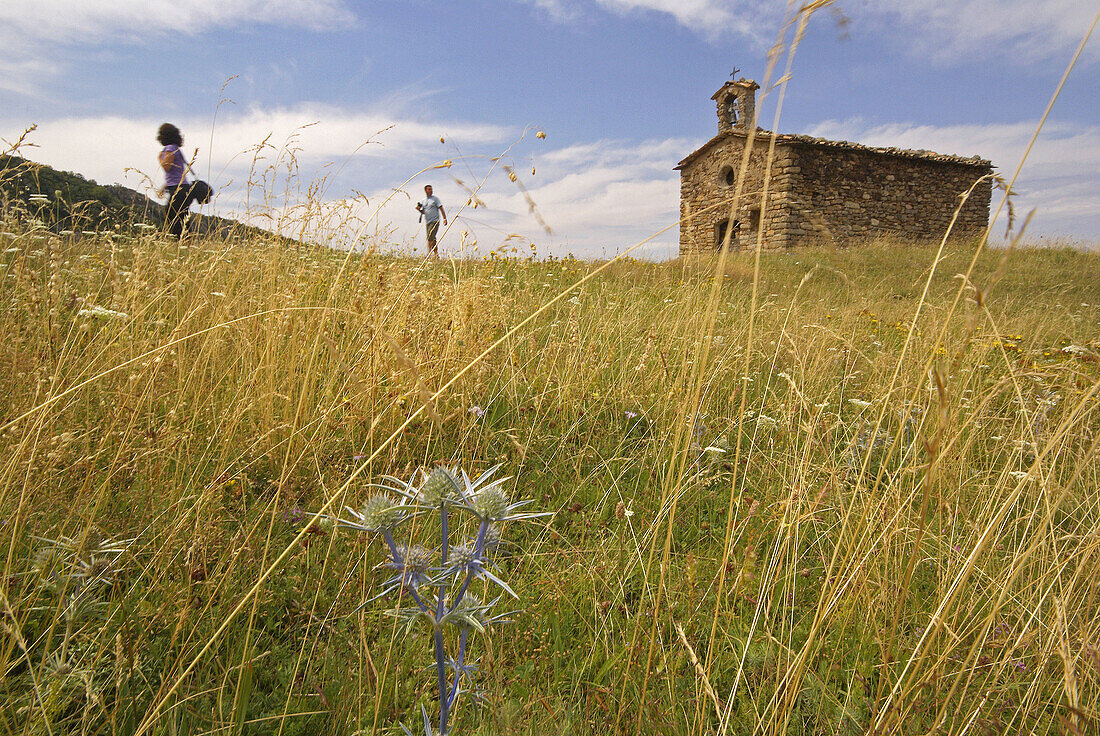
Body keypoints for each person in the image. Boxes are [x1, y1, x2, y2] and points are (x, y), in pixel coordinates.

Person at [157, 123, 199, 238]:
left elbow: (166, 166)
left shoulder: (169, 149)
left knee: (173, 218)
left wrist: (160, 157)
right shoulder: (176, 149)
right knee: (182, 219)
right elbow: (176, 174)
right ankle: (186, 245)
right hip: (182, 188)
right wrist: (165, 187)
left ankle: (181, 244)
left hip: (178, 190)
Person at [415, 184, 447, 258]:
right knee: (432, 238)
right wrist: (419, 209)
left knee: (430, 236)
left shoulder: (435, 199)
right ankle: (436, 254)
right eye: (429, 189)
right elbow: (424, 212)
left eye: (431, 189)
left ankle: (428, 253)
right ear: (425, 191)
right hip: (428, 221)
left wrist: (444, 218)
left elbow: (441, 208)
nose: (430, 191)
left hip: (435, 220)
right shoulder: (423, 201)